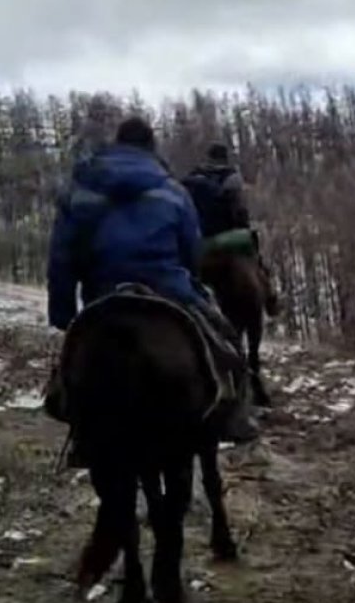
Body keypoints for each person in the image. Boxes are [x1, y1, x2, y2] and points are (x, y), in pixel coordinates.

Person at [44, 117, 260, 462]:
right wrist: (190, 283)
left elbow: (61, 257)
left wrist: (64, 315)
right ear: (151, 148)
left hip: (102, 296)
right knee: (227, 340)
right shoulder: (173, 190)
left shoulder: (80, 188)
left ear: (117, 143)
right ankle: (234, 416)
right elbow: (192, 252)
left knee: (70, 371)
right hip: (168, 287)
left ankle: (79, 426)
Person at [179, 143, 280, 316]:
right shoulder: (232, 178)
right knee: (256, 259)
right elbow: (239, 210)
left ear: (208, 158)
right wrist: (243, 227)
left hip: (198, 238)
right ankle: (271, 300)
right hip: (227, 237)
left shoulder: (192, 178)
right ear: (225, 158)